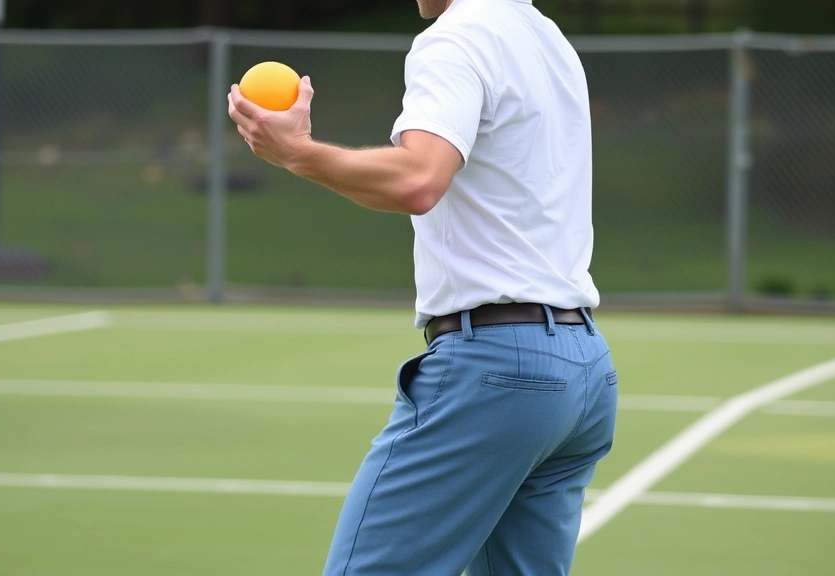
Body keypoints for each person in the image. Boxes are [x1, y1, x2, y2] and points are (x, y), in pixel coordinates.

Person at [227, 0, 618, 573]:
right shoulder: (548, 39)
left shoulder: (456, 37)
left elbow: (418, 178)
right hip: (582, 371)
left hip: (498, 374)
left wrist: (298, 154)